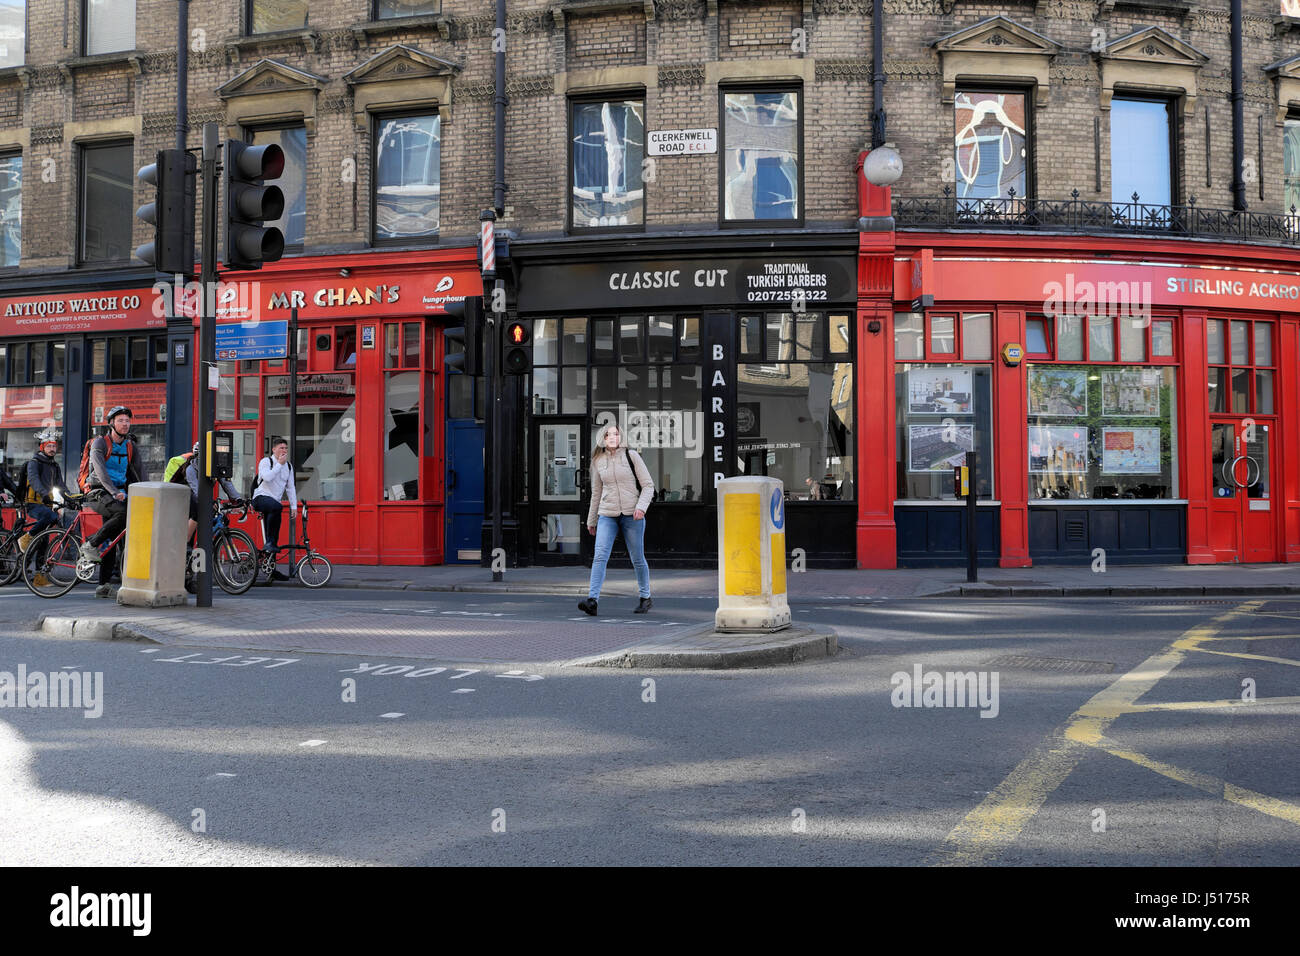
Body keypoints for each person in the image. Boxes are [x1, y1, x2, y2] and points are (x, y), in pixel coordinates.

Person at [579, 423, 654, 617]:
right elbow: (596, 493)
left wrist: (641, 507)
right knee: (600, 556)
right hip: (607, 514)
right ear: (602, 439)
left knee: (637, 557)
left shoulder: (631, 456)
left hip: (632, 514)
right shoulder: (597, 460)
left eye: (616, 434)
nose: (612, 437)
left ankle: (645, 597)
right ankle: (592, 600)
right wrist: (591, 520)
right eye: (608, 434)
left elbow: (648, 486)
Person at [79, 406, 142, 598]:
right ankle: (90, 544)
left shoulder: (130, 446)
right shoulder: (100, 443)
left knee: (114, 538)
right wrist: (114, 491)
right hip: (97, 491)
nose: (125, 424)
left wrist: (151, 492)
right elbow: (99, 471)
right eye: (121, 420)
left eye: (127, 421)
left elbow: (140, 473)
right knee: (123, 514)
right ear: (111, 423)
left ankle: (103, 585)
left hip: (119, 494)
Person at [165, 442, 243, 542]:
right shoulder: (190, 469)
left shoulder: (213, 467)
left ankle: (204, 543)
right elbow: (196, 490)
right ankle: (185, 541)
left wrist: (238, 498)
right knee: (198, 510)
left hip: (196, 496)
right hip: (182, 496)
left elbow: (226, 482)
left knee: (218, 516)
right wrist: (209, 501)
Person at [22, 430, 67, 587]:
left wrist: (71, 498)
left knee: (44, 541)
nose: (52, 449)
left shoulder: (55, 465)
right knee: (51, 518)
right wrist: (43, 493)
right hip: (34, 503)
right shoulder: (34, 463)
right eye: (49, 446)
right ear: (42, 447)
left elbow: (61, 486)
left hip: (47, 505)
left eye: (54, 446)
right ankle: (26, 538)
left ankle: (39, 578)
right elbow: (34, 481)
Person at [252, 437, 298, 581]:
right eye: (281, 448)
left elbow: (290, 487)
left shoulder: (288, 466)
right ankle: (270, 542)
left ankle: (271, 569)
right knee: (277, 507)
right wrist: (278, 464)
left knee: (273, 539)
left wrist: (294, 506)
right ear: (274, 449)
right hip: (260, 498)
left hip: (273, 505)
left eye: (285, 448)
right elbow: (267, 478)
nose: (284, 451)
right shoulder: (266, 462)